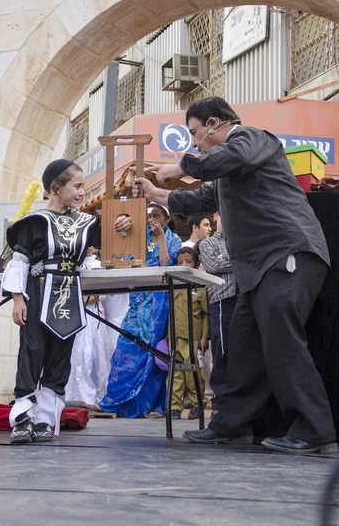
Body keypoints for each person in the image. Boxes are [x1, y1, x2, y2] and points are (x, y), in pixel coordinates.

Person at [132, 96, 337, 454]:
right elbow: (197, 201)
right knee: (242, 348)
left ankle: (314, 429)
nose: (194, 142)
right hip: (257, 270)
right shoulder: (226, 174)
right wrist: (156, 193)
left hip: (287, 253)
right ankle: (232, 425)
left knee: (281, 341)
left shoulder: (253, 138)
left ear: (213, 123)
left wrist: (183, 166)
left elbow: (229, 157)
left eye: (195, 134)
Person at [1, 159, 131, 444]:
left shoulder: (86, 223)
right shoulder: (33, 223)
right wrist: (18, 299)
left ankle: (45, 419)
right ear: (55, 188)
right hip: (37, 292)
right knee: (31, 352)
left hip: (70, 296)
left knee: (60, 358)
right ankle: (22, 418)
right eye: (78, 185)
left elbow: (112, 239)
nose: (83, 191)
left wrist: (123, 222)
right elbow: (19, 262)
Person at [98, 203, 182, 418]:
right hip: (138, 294)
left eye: (157, 215)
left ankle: (148, 403)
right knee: (126, 343)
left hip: (158, 299)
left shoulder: (174, 239)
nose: (152, 219)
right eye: (150, 215)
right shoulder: (139, 236)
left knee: (151, 347)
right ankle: (116, 399)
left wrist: (161, 237)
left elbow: (165, 262)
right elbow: (127, 255)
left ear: (167, 218)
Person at [65, 247, 113, 407]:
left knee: (92, 353)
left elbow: (103, 292)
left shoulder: (99, 264)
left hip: (92, 312)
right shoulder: (68, 263)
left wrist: (86, 299)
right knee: (75, 353)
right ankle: (73, 394)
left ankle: (94, 396)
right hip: (72, 311)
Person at [199, 212, 237, 411]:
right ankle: (220, 404)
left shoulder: (241, 241)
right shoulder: (207, 244)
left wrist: (228, 260)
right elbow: (213, 265)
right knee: (222, 352)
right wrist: (240, 260)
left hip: (244, 301)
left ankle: (238, 405)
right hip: (221, 301)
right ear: (216, 216)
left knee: (243, 353)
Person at [170, 246, 209, 420]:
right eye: (180, 262)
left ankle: (196, 404)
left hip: (193, 337)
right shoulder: (175, 286)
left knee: (194, 374)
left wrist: (204, 337)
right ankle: (174, 407)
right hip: (175, 336)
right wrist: (168, 335)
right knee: (176, 374)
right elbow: (171, 313)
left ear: (196, 263)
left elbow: (206, 315)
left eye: (188, 261)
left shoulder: (201, 288)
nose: (183, 265)